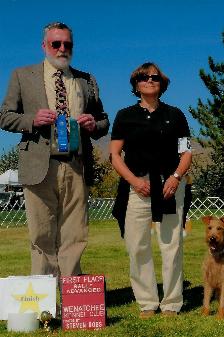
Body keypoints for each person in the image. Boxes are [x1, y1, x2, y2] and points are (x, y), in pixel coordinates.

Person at [0, 22, 109, 278]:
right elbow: (4, 116)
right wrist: (31, 120)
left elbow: (103, 119)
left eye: (67, 44)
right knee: (41, 234)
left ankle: (72, 298)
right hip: (39, 164)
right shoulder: (21, 75)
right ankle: (44, 299)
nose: (62, 49)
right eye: (56, 44)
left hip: (76, 164)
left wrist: (94, 124)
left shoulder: (86, 80)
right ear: (44, 46)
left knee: (75, 233)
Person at [110, 62, 192, 318]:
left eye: (155, 77)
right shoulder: (124, 115)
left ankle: (171, 303)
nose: (150, 80)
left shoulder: (176, 115)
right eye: (144, 77)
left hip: (169, 187)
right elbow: (114, 154)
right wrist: (134, 181)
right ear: (136, 83)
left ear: (162, 83)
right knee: (136, 246)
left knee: (171, 245)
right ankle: (147, 302)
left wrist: (176, 177)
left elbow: (187, 151)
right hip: (137, 188)